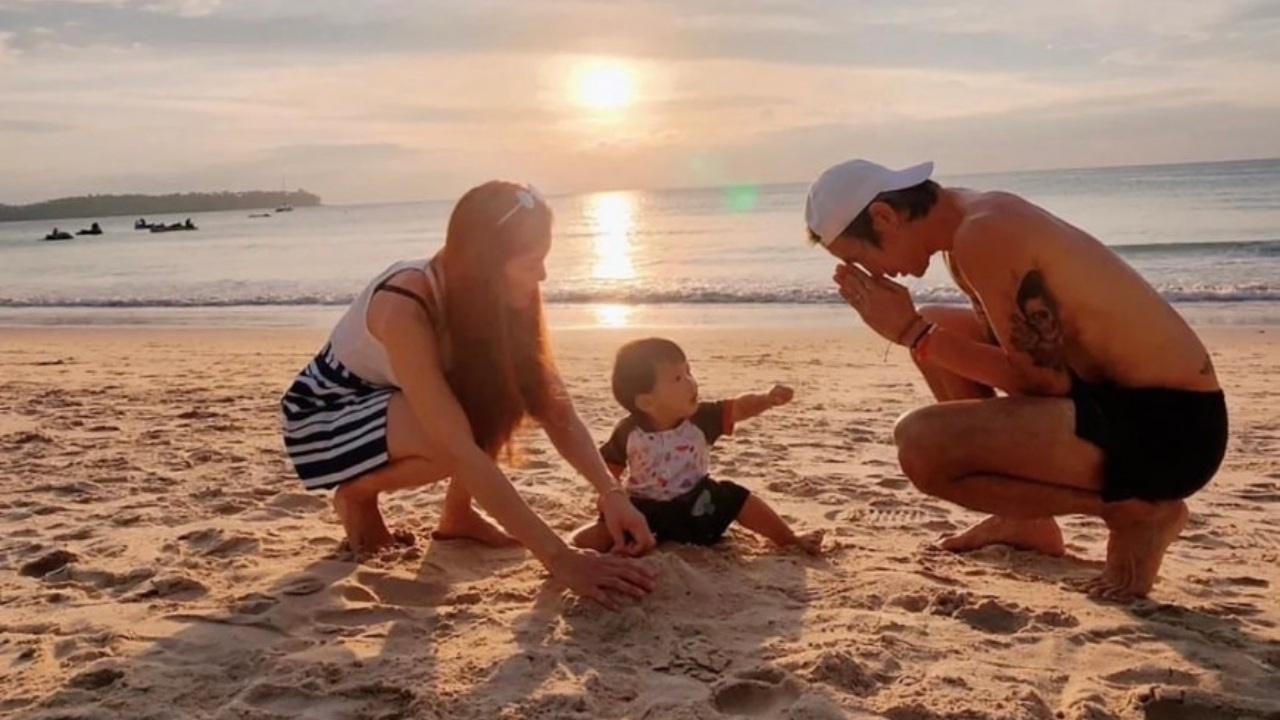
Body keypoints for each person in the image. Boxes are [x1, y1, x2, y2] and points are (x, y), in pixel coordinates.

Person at [803, 159, 1228, 601]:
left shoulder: (985, 234)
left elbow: (1044, 384)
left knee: (922, 445)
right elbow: (1025, 360)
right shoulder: (965, 224)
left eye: (859, 257)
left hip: (1170, 431)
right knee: (936, 331)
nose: (873, 273)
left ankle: (1137, 512)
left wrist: (911, 332)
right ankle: (1026, 521)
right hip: (1116, 400)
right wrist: (923, 334)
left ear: (884, 217)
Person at [279, 180, 657, 610]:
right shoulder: (405, 304)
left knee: (504, 392)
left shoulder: (497, 296)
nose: (543, 275)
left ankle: (458, 517)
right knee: (453, 436)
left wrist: (612, 494)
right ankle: (357, 496)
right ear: (485, 264)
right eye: (532, 262)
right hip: (328, 410)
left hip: (392, 402)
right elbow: (460, 449)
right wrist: (561, 559)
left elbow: (557, 409)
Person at [571, 338, 825, 555]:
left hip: (700, 504)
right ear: (647, 401)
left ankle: (788, 537)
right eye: (678, 378)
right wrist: (608, 496)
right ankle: (569, 549)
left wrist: (767, 399)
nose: (691, 383)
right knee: (598, 534)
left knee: (738, 497)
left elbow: (739, 407)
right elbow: (608, 466)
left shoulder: (702, 418)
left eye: (689, 372)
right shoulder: (629, 431)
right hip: (645, 510)